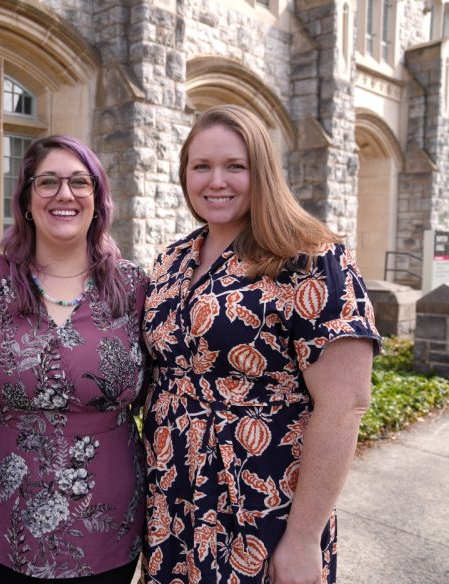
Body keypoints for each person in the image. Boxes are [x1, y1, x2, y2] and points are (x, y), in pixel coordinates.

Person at [141, 104, 381, 584]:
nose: (216, 181)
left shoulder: (310, 258)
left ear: (262, 171)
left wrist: (303, 537)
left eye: (235, 166)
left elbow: (345, 403)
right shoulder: (173, 259)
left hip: (262, 501)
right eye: (201, 166)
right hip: (171, 495)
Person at [0, 135, 147, 583]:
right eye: (48, 182)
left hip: (107, 515)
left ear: (98, 200)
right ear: (25, 199)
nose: (65, 194)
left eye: (80, 182)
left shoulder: (134, 289)